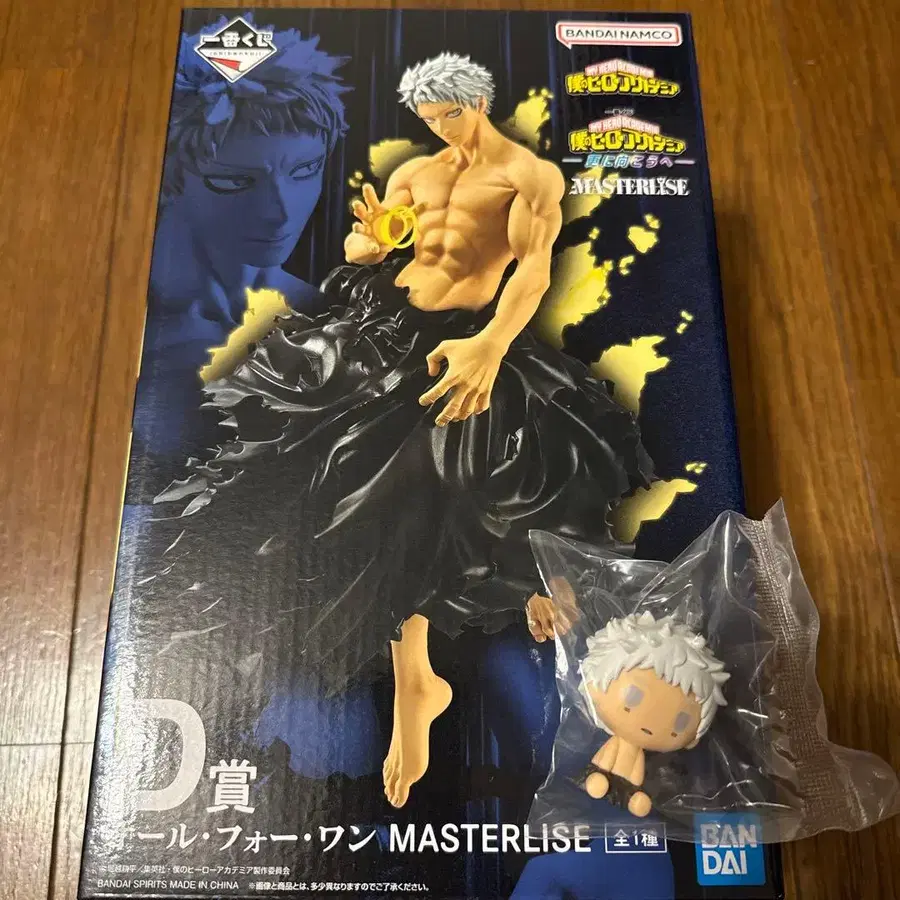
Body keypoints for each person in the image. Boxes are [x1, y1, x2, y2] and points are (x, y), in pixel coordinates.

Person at [158, 52, 652, 809]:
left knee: (437, 480)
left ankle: (433, 672)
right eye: (427, 118)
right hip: (379, 327)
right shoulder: (416, 173)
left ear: (476, 102)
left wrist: (491, 345)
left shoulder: (528, 177)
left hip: (466, 339)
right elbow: (371, 249)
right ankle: (412, 677)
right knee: (324, 481)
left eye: (448, 114)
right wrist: (370, 243)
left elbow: (532, 271)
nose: (439, 128)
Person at [134, 20, 348, 462]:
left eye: (305, 171)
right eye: (233, 181)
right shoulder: (121, 326)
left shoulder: (322, 311)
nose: (281, 212)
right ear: (165, 179)